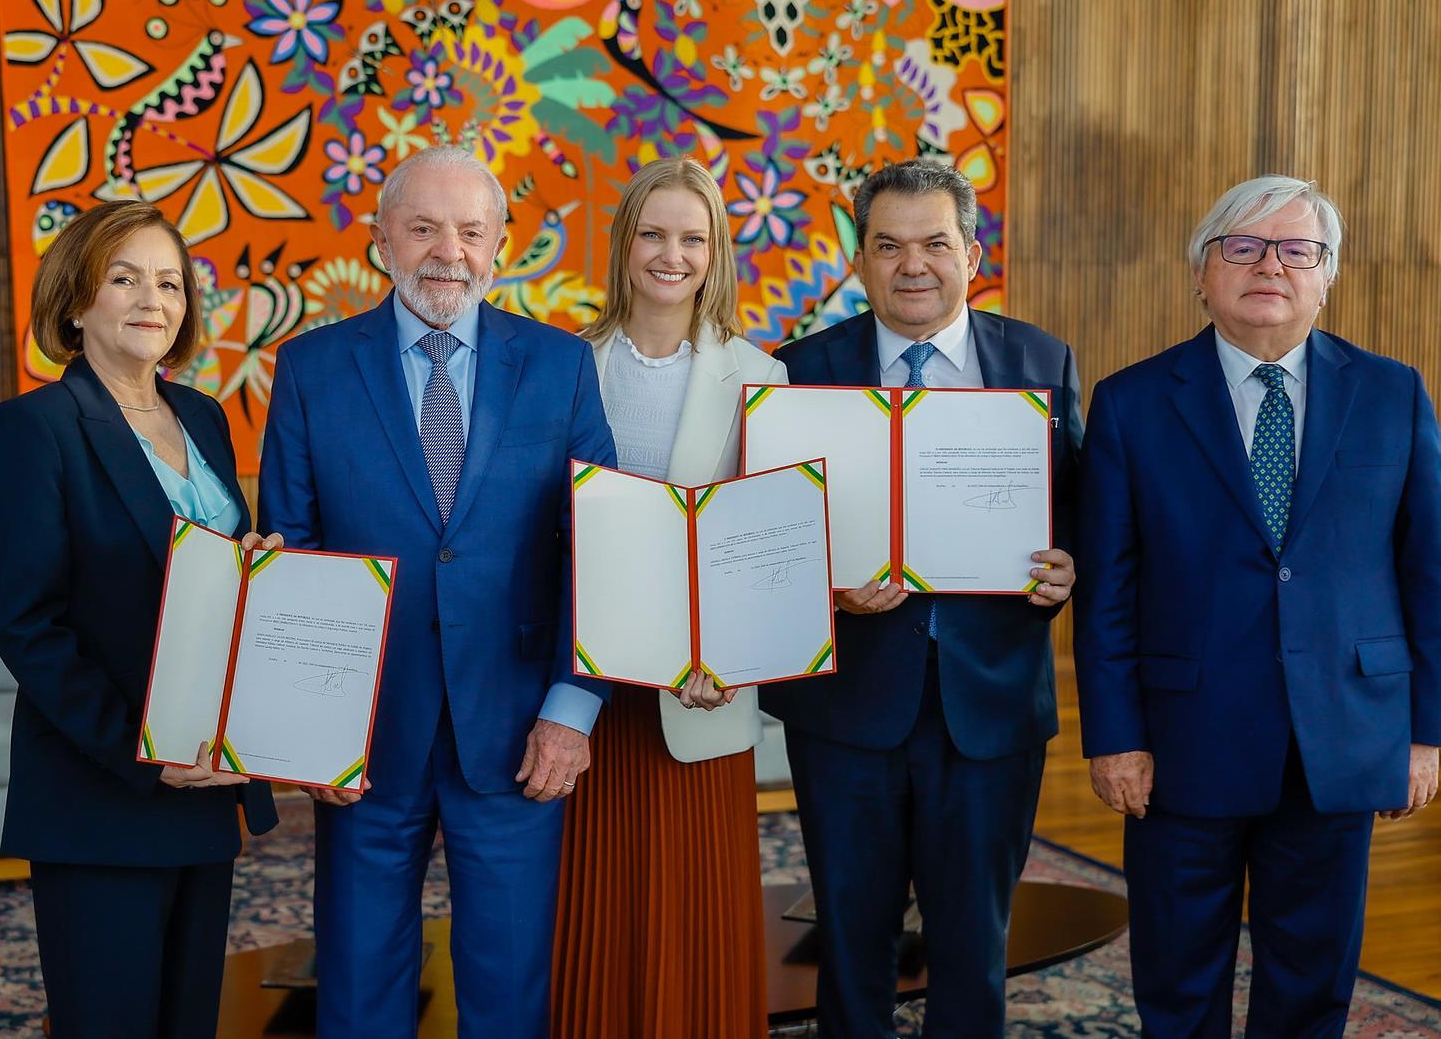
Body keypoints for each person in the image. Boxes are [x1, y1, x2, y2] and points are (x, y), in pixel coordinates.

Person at [256, 146, 617, 1038]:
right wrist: (312, 732)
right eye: (421, 228)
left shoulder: (563, 366)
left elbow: (601, 547)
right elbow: (291, 552)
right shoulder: (310, 369)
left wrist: (573, 708)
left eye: (468, 229)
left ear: (501, 243)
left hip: (521, 725)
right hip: (366, 733)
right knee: (359, 975)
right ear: (382, 239)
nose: (445, 250)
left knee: (507, 981)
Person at [1075, 175, 1440, 1037]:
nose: (1268, 264)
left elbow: (1428, 572)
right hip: (1182, 740)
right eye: (1241, 246)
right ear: (1202, 273)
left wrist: (1424, 731)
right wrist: (1116, 735)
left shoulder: (1394, 394)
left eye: (1295, 249)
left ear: (1327, 275)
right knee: (1176, 974)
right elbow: (1108, 587)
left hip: (1344, 735)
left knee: (1314, 980)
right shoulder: (1132, 402)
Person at [762, 158, 1081, 1037]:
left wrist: (1069, 564)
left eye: (936, 243)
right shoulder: (798, 370)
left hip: (990, 708)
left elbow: (1084, 506)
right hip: (847, 708)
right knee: (850, 944)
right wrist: (825, 585)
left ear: (971, 253)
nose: (914, 265)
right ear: (859, 259)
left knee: (975, 947)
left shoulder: (1040, 360)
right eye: (889, 245)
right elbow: (767, 542)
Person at [0, 200, 280, 1038]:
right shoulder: (33, 429)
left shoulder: (207, 418)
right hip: (102, 785)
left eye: (170, 281)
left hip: (205, 790)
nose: (153, 298)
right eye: (125, 278)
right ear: (76, 301)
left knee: (188, 1020)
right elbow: (27, 626)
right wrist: (143, 752)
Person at [549, 155, 787, 1038]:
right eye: (653, 232)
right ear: (623, 243)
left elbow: (769, 551)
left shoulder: (762, 376)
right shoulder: (561, 366)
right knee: (594, 908)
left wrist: (731, 656)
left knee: (697, 916)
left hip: (703, 695)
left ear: (717, 251)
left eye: (693, 237)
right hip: (586, 697)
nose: (671, 254)